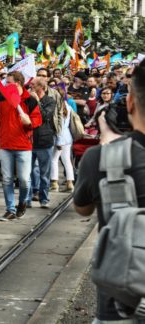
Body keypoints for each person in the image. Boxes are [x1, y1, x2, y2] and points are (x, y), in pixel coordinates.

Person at [74, 61, 145, 323]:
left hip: (119, 310)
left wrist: (108, 149)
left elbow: (83, 208)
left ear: (130, 104)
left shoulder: (100, 158)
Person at [0, 71, 42, 221]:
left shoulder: (29, 100)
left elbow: (37, 120)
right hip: (6, 144)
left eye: (8, 82)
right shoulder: (2, 98)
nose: (6, 85)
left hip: (23, 145)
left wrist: (29, 122)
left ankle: (22, 202)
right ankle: (10, 209)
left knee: (24, 180)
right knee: (7, 179)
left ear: (17, 83)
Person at [28, 78, 56, 208]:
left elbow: (45, 116)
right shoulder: (28, 99)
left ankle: (44, 198)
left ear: (41, 87)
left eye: (33, 85)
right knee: (27, 172)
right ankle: (27, 198)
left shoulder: (50, 101)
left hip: (44, 141)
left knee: (44, 173)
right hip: (29, 139)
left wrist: (37, 101)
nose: (30, 86)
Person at [52, 86, 77, 193]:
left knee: (53, 160)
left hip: (60, 136)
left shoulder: (57, 107)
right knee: (67, 160)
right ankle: (70, 183)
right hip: (67, 136)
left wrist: (59, 141)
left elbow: (59, 126)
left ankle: (54, 183)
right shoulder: (68, 106)